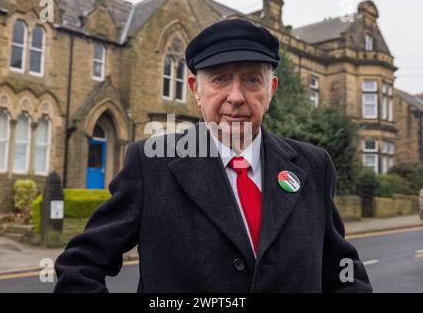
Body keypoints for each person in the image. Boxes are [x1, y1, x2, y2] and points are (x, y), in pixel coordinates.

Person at [54, 19, 372, 293]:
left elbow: (343, 269)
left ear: (271, 89)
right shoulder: (152, 164)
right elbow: (80, 264)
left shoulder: (313, 167)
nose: (235, 96)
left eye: (251, 79)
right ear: (195, 87)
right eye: (219, 79)